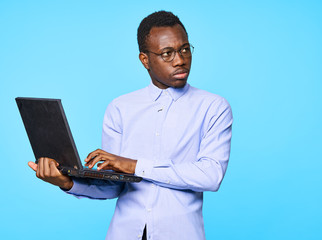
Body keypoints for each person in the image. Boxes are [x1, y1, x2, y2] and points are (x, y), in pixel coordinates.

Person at [28, 11, 233, 240]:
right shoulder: (120, 108)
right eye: (167, 53)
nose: (180, 60)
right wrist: (66, 182)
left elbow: (210, 175)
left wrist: (134, 165)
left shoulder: (213, 107)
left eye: (185, 49)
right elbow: (113, 186)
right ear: (145, 60)